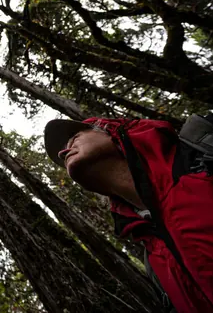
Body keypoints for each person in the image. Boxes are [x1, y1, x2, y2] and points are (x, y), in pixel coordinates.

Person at [44, 117, 213, 313]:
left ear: (109, 131)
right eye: (62, 154)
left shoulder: (202, 154)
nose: (63, 151)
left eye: (74, 137)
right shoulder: (154, 262)